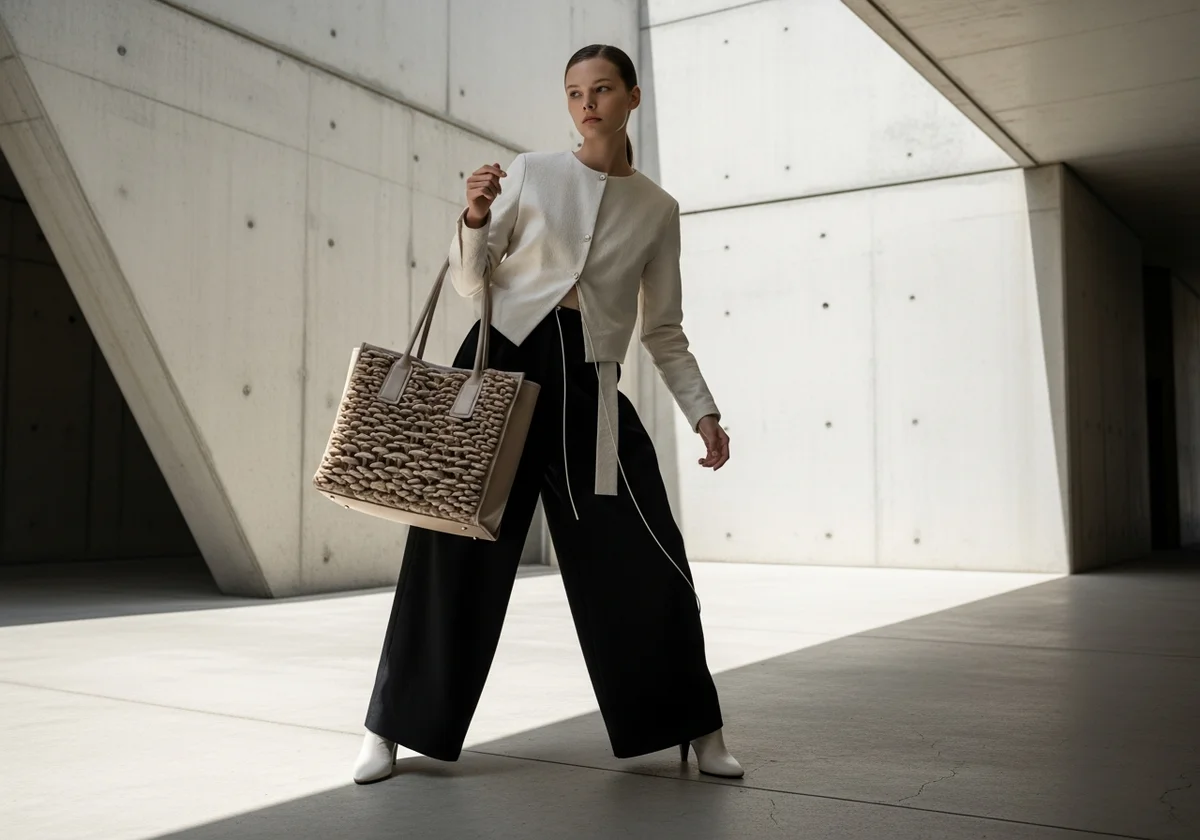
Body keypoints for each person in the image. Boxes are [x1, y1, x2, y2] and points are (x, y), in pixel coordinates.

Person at [353, 44, 741, 784]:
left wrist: (703, 412)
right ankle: (390, 728)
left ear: (632, 97)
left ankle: (697, 727)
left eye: (601, 90)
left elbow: (662, 328)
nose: (586, 103)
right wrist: (473, 215)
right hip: (500, 366)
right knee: (448, 556)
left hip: (591, 387)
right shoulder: (533, 171)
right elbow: (473, 282)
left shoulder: (658, 210)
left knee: (646, 553)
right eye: (573, 92)